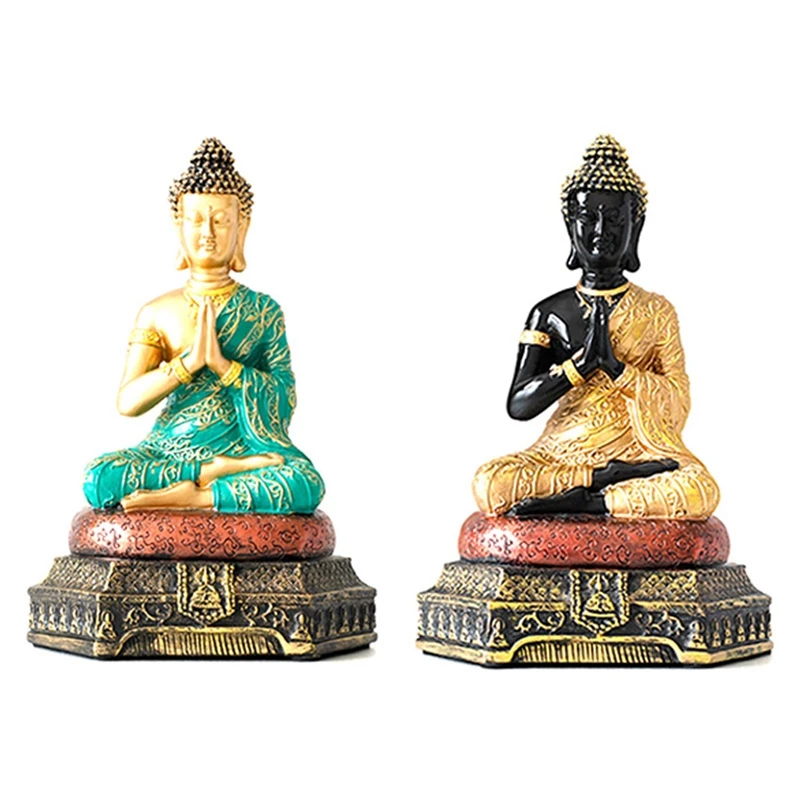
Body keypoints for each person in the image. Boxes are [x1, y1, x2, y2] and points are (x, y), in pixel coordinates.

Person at [472, 135, 719, 520]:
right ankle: (600, 481)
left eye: (616, 220)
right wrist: (581, 365)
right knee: (490, 483)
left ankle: (589, 502)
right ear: (570, 226)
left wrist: (617, 369)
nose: (602, 231)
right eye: (588, 219)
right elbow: (519, 405)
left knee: (699, 490)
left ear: (636, 228)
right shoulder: (548, 312)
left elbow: (678, 401)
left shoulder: (657, 311)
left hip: (640, 455)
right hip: (562, 453)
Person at [83, 139, 324, 514]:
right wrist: (189, 363)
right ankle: (206, 474)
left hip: (245, 449)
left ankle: (200, 497)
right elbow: (128, 402)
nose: (208, 232)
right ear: (178, 227)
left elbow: (284, 396)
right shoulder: (156, 312)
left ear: (242, 228)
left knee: (304, 483)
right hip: (169, 450)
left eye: (221, 221)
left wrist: (224, 367)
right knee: (99, 477)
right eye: (195, 220)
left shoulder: (263, 311)